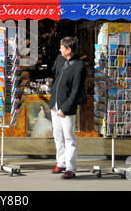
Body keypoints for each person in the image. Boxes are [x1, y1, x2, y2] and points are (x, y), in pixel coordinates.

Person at [48, 37, 87, 179]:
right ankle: (61, 162)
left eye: (62, 47)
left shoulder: (79, 66)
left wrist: (65, 108)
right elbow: (56, 75)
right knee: (57, 136)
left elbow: (76, 91)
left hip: (66, 108)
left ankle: (70, 168)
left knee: (69, 138)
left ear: (69, 50)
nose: (59, 49)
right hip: (55, 104)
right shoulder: (60, 59)